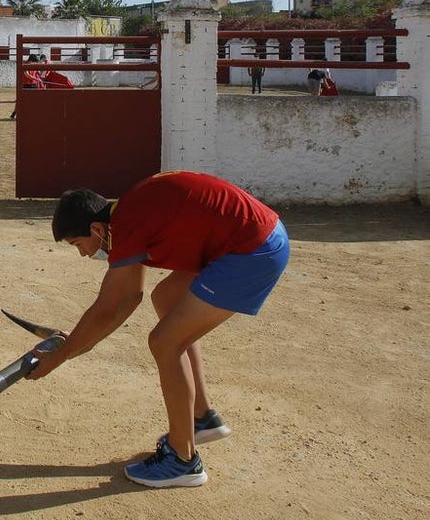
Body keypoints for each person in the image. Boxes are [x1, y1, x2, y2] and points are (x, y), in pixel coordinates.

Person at [31, 170, 290, 489]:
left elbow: (108, 309)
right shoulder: (129, 216)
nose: (84, 254)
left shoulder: (129, 224)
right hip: (257, 238)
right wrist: (76, 345)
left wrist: (59, 358)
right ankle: (201, 418)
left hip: (254, 250)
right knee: (165, 297)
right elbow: (129, 300)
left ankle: (183, 461)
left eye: (78, 244)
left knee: (165, 342)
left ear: (97, 229)